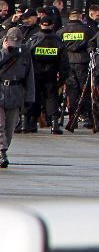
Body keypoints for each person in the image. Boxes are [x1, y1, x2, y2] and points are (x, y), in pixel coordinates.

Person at [0, 26, 36, 168]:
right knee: (0, 125)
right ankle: (2, 152)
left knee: (10, 127)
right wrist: (5, 51)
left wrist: (29, 98)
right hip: (1, 89)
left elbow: (29, 76)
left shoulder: (24, 52)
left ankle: (3, 149)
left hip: (15, 92)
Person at [26, 14, 67, 134]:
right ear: (52, 25)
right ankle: (54, 124)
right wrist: (63, 77)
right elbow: (64, 61)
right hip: (51, 75)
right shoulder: (58, 40)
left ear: (40, 25)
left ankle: (32, 123)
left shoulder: (33, 39)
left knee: (35, 98)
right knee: (52, 98)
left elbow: (26, 57)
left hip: (35, 74)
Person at [57, 10, 93, 133]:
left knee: (71, 90)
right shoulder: (87, 30)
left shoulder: (61, 31)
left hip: (68, 63)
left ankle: (73, 117)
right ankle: (88, 116)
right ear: (81, 17)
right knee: (85, 90)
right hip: (83, 62)